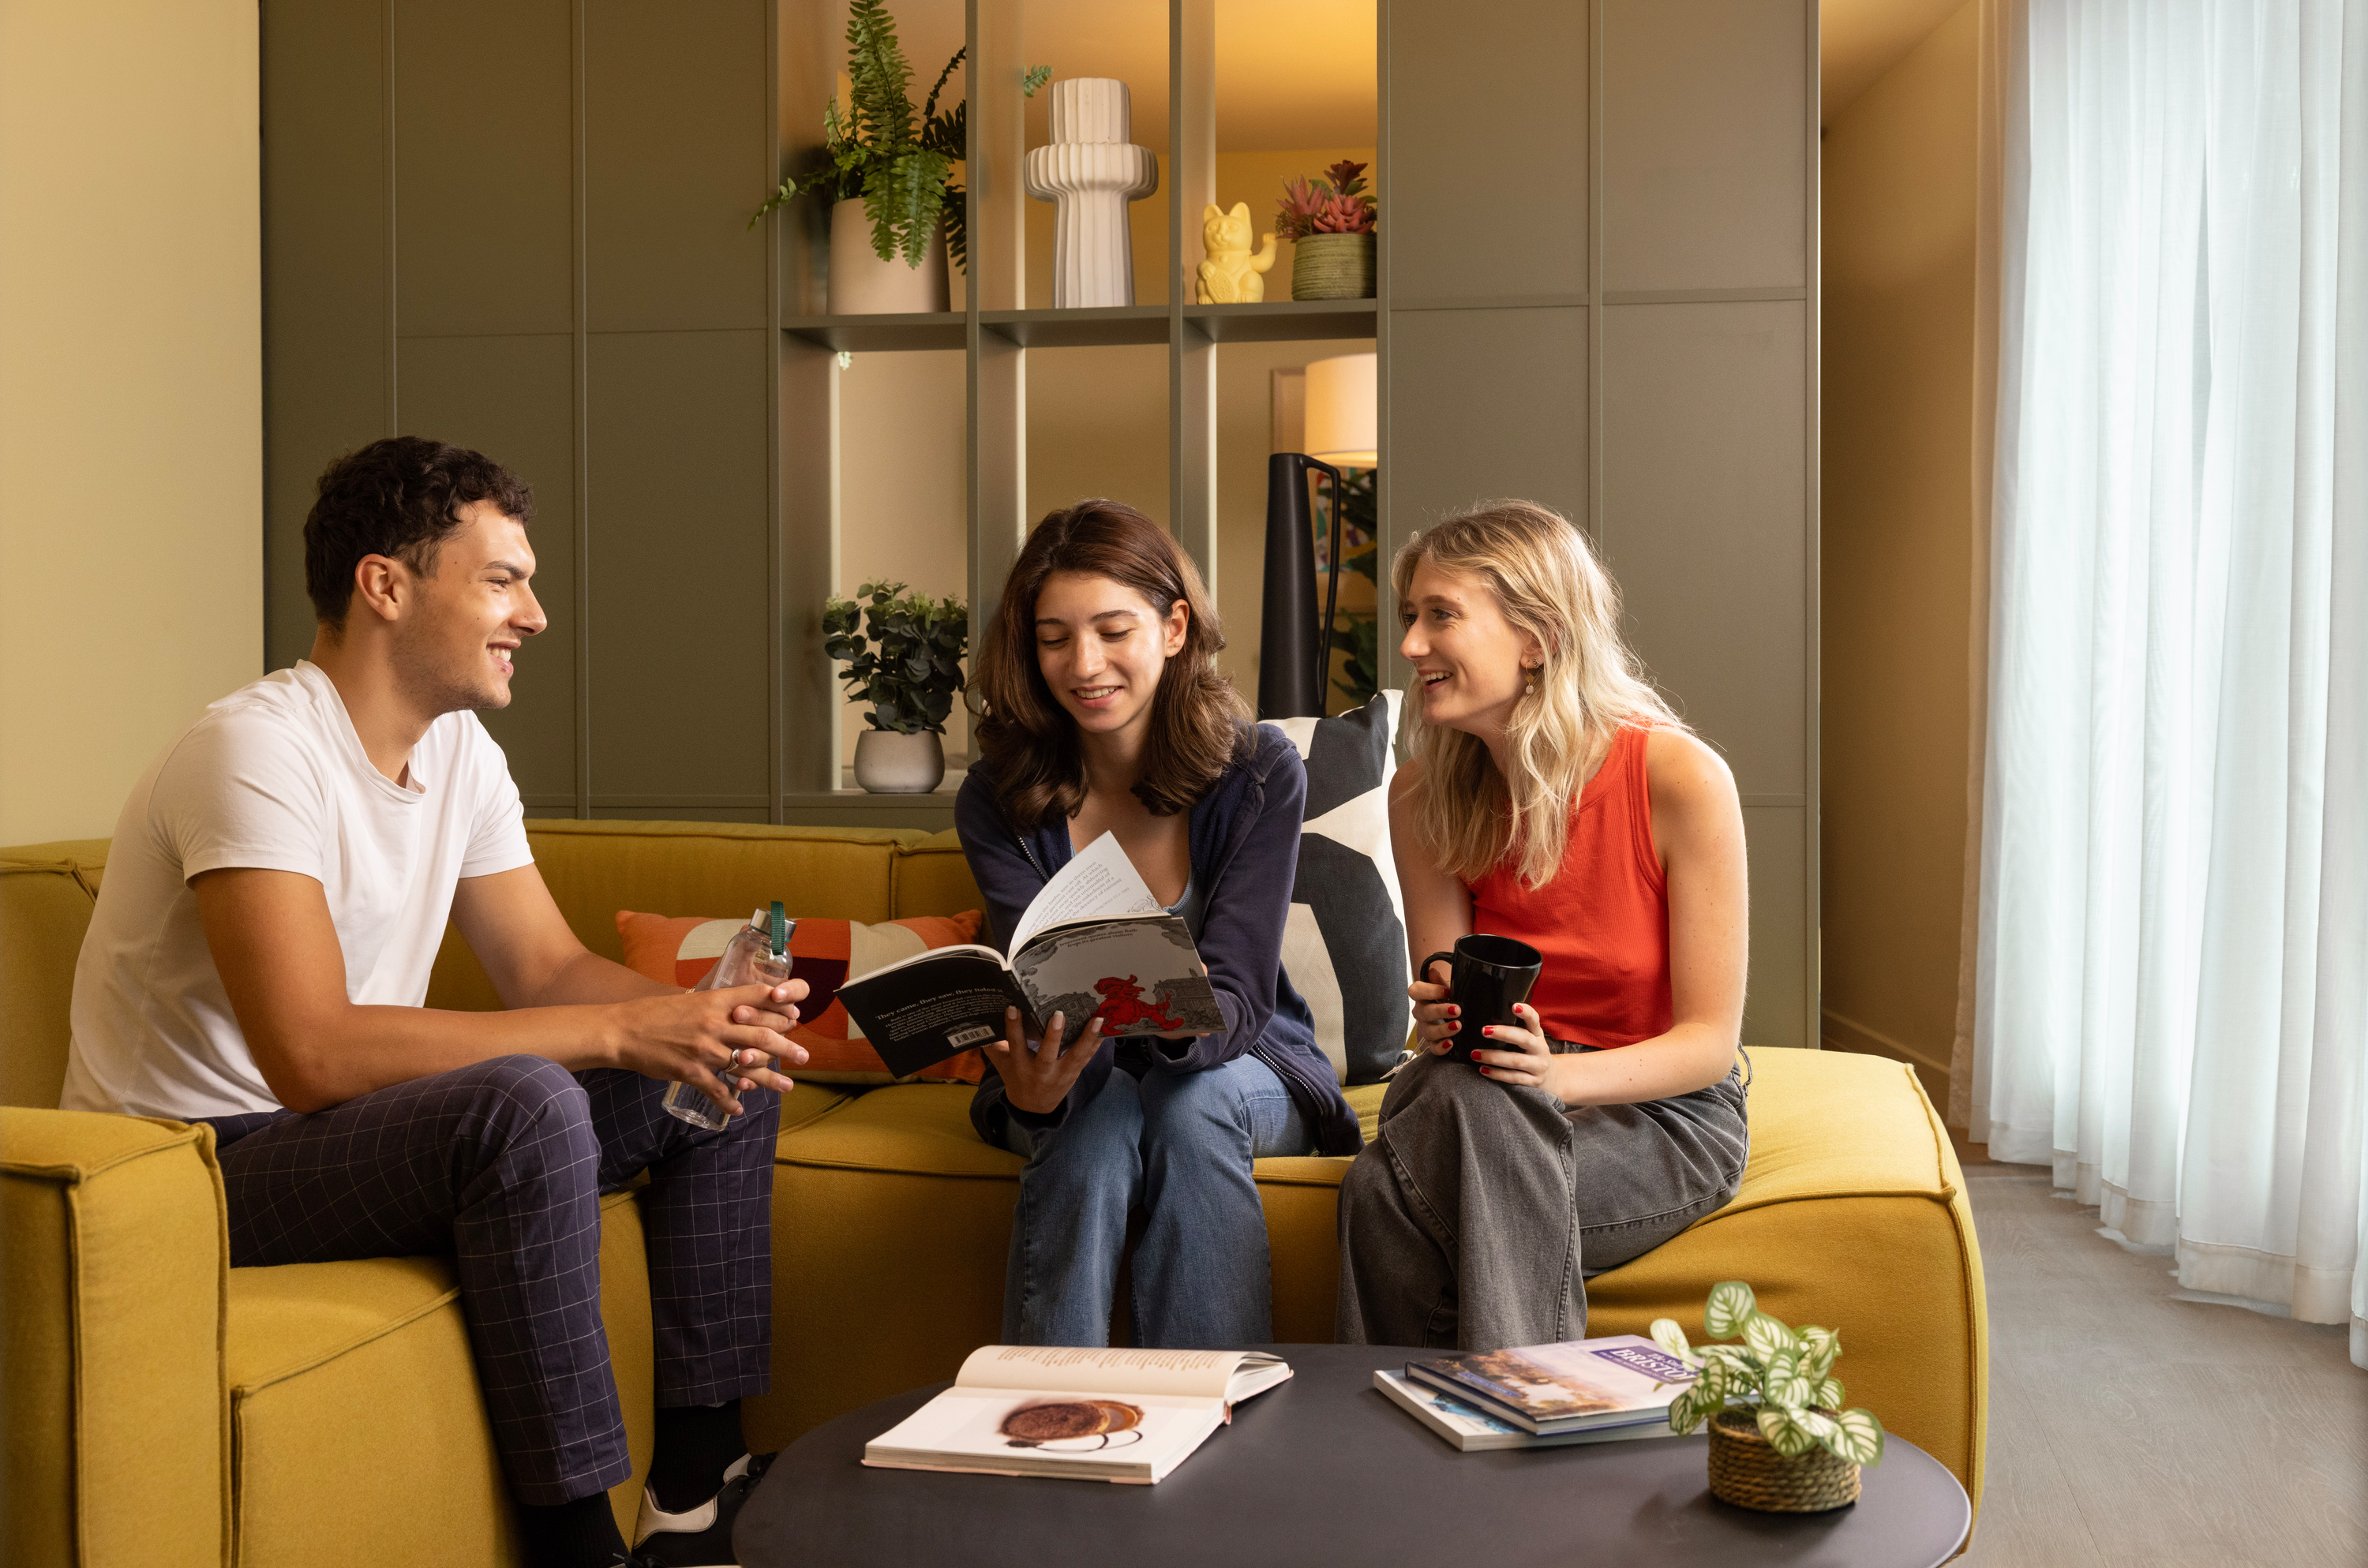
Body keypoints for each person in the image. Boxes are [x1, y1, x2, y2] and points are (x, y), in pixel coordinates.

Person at [61, 437, 804, 1568]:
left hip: (332, 1139)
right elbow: (309, 1050)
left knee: (720, 1077)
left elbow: (548, 970)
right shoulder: (253, 750)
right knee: (522, 1104)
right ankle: (575, 1546)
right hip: (194, 1165)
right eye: (504, 578)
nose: (536, 613)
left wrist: (698, 1016)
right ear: (387, 585)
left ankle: (693, 1504)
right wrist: (617, 1031)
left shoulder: (460, 752)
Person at [1334, 500, 1751, 1352]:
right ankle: (1527, 1430)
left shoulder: (1677, 778)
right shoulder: (1423, 795)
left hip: (1658, 1113)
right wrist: (1441, 1016)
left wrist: (1551, 1079)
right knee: (1470, 1101)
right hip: (1480, 1091)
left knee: (1383, 1194)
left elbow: (1709, 1044)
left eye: (1441, 615)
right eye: (1411, 616)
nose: (1410, 645)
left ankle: (1416, 1453)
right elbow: (1446, 1020)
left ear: (1538, 637)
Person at [956, 499, 1361, 1349]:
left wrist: (1158, 1027)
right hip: (1079, 1073)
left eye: (1113, 630)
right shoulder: (998, 796)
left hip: (1239, 1063)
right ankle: (1045, 1420)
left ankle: (1215, 1417)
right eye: (1054, 636)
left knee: (1187, 1099)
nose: (1084, 663)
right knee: (1093, 1130)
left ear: (1175, 627)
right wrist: (1037, 1091)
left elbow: (1241, 996)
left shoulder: (1256, 772)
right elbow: (1036, 983)